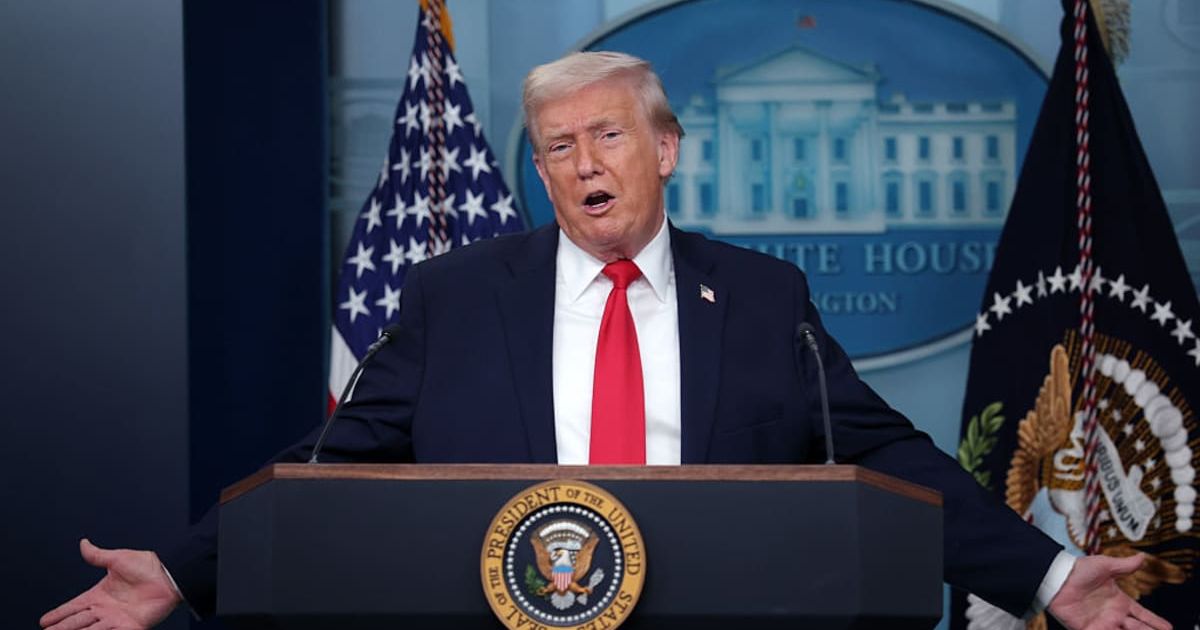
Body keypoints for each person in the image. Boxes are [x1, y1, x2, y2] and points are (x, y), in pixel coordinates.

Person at [42, 51, 1170, 630]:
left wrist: (1053, 576)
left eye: (607, 136)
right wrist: (182, 571)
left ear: (664, 150)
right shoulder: (455, 297)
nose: (582, 163)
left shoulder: (762, 297)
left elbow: (886, 457)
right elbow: (328, 462)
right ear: (539, 170)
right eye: (556, 146)